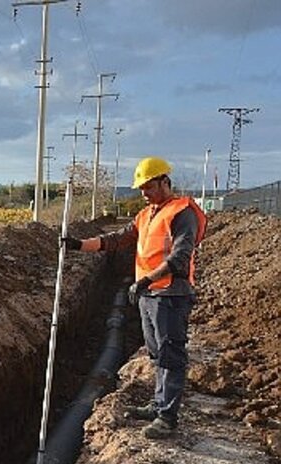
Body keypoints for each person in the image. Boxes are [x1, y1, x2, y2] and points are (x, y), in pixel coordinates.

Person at [62, 156, 207, 439]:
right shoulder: (147, 214)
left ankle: (167, 417)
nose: (144, 193)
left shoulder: (182, 213)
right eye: (141, 188)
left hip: (171, 295)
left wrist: (146, 280)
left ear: (165, 181)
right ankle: (158, 402)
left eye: (149, 187)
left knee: (170, 354)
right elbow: (118, 239)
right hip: (149, 294)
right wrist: (79, 245)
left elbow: (180, 257)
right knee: (156, 353)